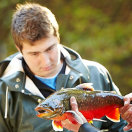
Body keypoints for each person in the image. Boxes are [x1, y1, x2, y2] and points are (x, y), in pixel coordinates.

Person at [0, 2, 131, 132]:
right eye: (34, 53)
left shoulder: (97, 73)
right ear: (19, 49)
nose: (46, 61)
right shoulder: (4, 93)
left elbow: (123, 128)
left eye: (50, 48)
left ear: (58, 38)